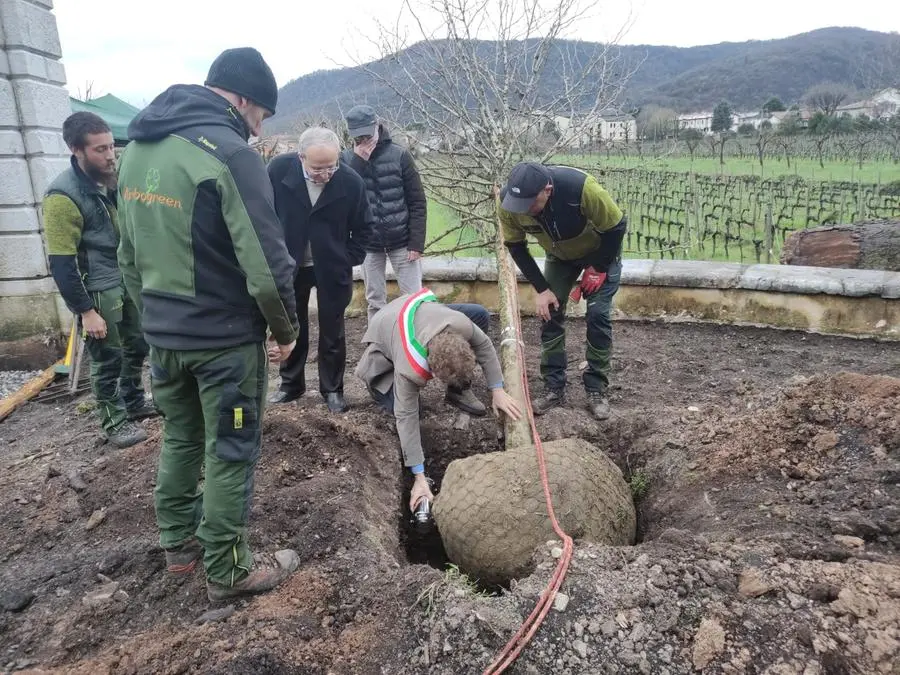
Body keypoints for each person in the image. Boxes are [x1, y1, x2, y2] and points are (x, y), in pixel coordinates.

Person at [116, 47, 302, 602]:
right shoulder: (230, 154)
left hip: (164, 340)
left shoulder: (137, 148)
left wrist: (154, 324)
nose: (259, 126)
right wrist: (287, 331)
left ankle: (178, 545)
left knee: (180, 435)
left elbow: (127, 256)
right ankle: (229, 570)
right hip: (224, 348)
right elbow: (268, 268)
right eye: (262, 114)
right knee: (232, 446)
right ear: (243, 99)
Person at [42, 112, 156, 449]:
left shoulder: (112, 182)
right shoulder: (62, 197)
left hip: (125, 277)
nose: (110, 156)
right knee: (108, 357)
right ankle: (114, 422)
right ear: (76, 150)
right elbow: (62, 263)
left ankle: (134, 403)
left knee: (137, 345)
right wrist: (86, 311)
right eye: (100, 150)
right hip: (98, 288)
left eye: (112, 148)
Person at [355, 289, 523, 511]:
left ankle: (458, 391)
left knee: (480, 313)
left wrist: (497, 389)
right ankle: (376, 378)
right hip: (385, 327)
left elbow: (483, 345)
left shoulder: (460, 325)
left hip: (421, 312)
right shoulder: (409, 368)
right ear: (432, 373)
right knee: (405, 407)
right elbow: (406, 417)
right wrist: (419, 476)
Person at [496, 162, 627, 421]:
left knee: (598, 315)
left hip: (601, 252)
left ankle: (596, 388)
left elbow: (617, 226)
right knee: (550, 312)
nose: (525, 212)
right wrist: (542, 289)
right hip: (560, 257)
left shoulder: (582, 189)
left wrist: (598, 267)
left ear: (547, 190)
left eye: (530, 204)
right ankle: (554, 387)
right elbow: (515, 245)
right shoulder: (510, 202)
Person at [266, 127, 373, 413]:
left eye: (331, 166)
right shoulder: (277, 171)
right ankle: (291, 384)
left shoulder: (350, 181)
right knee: (292, 324)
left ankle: (332, 389)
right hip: (290, 265)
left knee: (333, 330)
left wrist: (346, 258)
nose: (325, 174)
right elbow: (263, 214)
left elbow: (364, 229)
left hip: (331, 268)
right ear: (301, 157)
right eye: (317, 168)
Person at [341, 105, 428, 321]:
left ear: (377, 125)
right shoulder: (346, 159)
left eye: (366, 134)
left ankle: (414, 345)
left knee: (413, 300)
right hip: (368, 244)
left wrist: (416, 242)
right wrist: (358, 162)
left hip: (403, 241)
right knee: (375, 301)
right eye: (357, 135)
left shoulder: (400, 155)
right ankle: (377, 348)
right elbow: (344, 198)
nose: (363, 139)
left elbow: (417, 201)